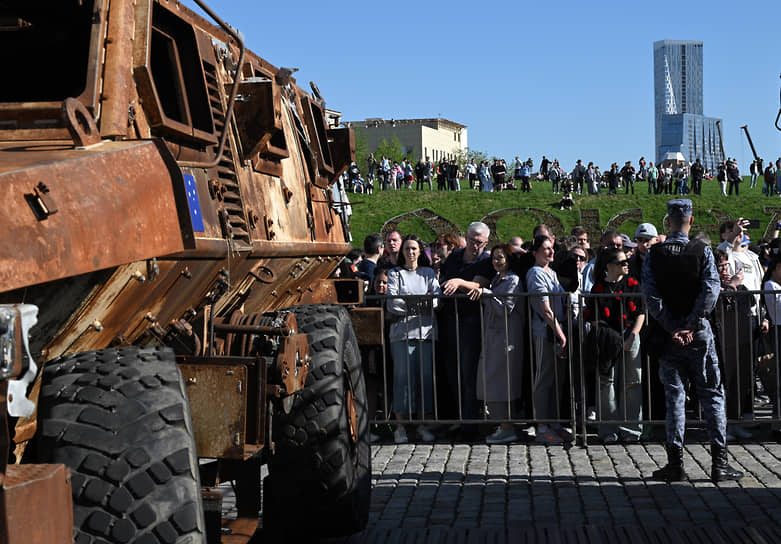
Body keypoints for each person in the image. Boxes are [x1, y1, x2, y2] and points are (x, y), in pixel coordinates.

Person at [641, 199, 743, 483]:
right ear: (691, 220)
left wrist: (671, 325)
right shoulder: (702, 251)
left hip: (669, 333)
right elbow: (711, 290)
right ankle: (719, 463)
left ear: (668, 221)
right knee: (711, 395)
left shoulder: (655, 253)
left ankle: (675, 464)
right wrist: (691, 323)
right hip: (698, 333)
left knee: (674, 396)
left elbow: (651, 295)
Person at [386, 234, 442, 443]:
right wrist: (422, 304)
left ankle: (422, 424)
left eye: (414, 249)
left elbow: (436, 300)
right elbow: (393, 303)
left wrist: (410, 303)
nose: (410, 252)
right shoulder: (395, 273)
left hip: (426, 332)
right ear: (402, 252)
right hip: (402, 334)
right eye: (407, 248)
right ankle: (401, 426)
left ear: (420, 252)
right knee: (403, 379)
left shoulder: (428, 273)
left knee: (425, 378)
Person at [586, 248, 645, 443]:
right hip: (607, 339)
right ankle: (608, 429)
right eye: (622, 262)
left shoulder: (633, 284)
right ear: (609, 266)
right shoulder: (599, 288)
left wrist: (631, 336)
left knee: (632, 381)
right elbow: (593, 318)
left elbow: (640, 313)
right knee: (606, 382)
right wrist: (613, 339)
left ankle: (632, 429)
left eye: (626, 261)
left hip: (630, 335)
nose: (626, 264)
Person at [439, 222, 493, 432]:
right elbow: (444, 279)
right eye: (471, 240)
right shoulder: (455, 256)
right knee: (452, 370)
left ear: (486, 242)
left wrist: (459, 281)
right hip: (450, 318)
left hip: (471, 320)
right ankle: (457, 416)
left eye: (479, 242)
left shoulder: (486, 260)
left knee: (469, 371)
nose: (474, 245)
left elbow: (479, 284)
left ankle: (470, 420)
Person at [472, 244, 525, 444]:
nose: (496, 261)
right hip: (493, 336)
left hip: (505, 338)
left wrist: (486, 293)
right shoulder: (497, 279)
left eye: (500, 258)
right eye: (494, 258)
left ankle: (507, 427)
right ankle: (502, 425)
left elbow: (506, 307)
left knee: (501, 383)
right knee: (492, 382)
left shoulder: (513, 280)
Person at [526, 235, 570, 444]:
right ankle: (542, 426)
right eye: (545, 249)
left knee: (557, 380)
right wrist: (560, 332)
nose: (551, 252)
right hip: (546, 332)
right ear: (535, 253)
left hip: (557, 330)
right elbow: (545, 308)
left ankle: (554, 422)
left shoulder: (551, 272)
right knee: (543, 379)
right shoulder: (535, 274)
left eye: (551, 248)